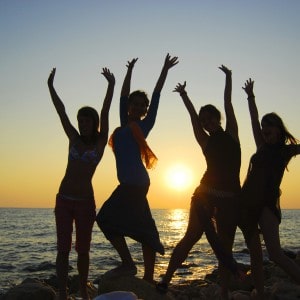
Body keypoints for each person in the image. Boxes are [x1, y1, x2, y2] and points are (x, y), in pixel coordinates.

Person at [157, 65, 241, 299]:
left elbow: (228, 103)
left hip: (230, 199)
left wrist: (229, 77)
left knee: (225, 246)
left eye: (210, 118)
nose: (206, 123)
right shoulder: (204, 140)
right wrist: (185, 96)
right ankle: (166, 279)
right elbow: (193, 118)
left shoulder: (232, 133)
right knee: (191, 237)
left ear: (218, 118)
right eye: (204, 121)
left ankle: (223, 292)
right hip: (205, 196)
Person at [96, 54, 178, 284]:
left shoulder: (144, 125)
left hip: (136, 184)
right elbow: (122, 96)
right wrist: (129, 70)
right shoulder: (123, 123)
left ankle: (132, 267)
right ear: (130, 106)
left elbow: (157, 94)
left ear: (145, 110)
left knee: (105, 218)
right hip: (130, 185)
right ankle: (138, 270)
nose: (138, 107)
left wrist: (164, 69)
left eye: (142, 106)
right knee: (133, 227)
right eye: (135, 104)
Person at [47, 67, 115, 300]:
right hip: (64, 200)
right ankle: (64, 292)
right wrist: (51, 87)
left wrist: (111, 85)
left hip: (85, 203)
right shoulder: (73, 138)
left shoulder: (100, 143)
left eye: (87, 121)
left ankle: (84, 292)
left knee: (83, 250)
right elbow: (61, 111)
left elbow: (106, 112)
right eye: (80, 120)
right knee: (63, 249)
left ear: (94, 123)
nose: (82, 123)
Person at [239, 78, 300, 297]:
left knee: (274, 253)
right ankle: (261, 293)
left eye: (269, 125)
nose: (264, 129)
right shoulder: (262, 145)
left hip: (266, 205)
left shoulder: (285, 151)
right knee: (256, 254)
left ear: (279, 129)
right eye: (264, 126)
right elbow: (254, 119)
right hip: (247, 204)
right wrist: (250, 96)